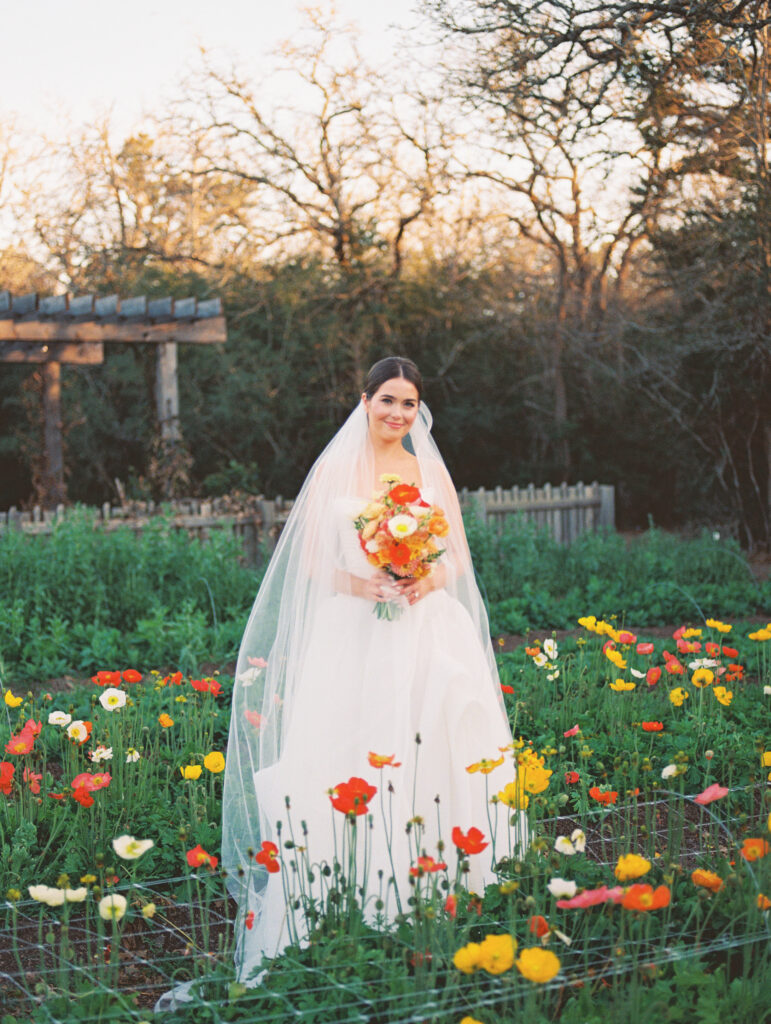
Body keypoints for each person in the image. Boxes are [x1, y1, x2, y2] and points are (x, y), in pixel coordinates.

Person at [222, 356, 523, 983]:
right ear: (365, 401)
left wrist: (420, 580)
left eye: (409, 403)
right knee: (350, 751)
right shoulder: (336, 470)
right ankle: (346, 900)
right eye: (387, 400)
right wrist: (368, 587)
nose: (397, 413)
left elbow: (457, 558)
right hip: (352, 630)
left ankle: (440, 892)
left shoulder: (427, 471)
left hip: (425, 627)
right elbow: (310, 563)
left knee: (427, 748)